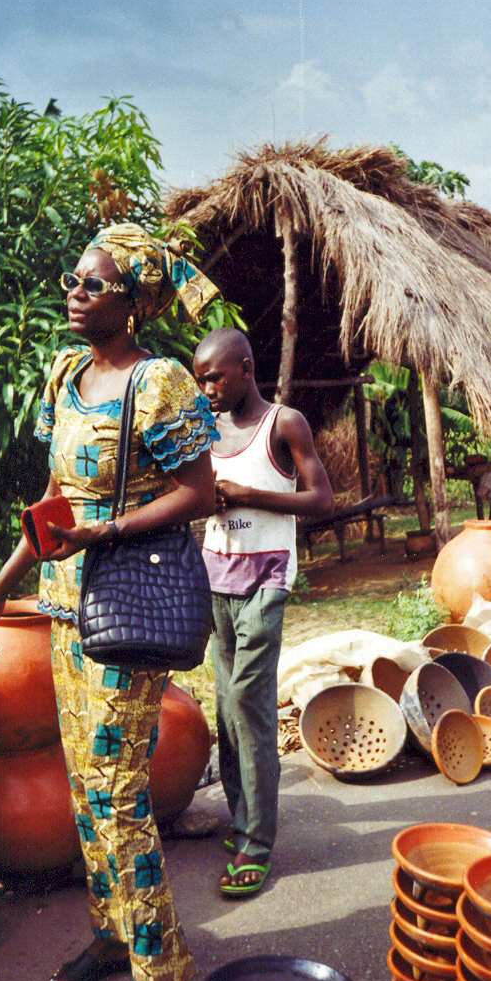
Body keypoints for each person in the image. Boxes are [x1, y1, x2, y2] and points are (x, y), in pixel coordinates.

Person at [0, 223, 219, 981]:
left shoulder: (161, 382)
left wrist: (106, 530)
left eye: (93, 285)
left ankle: (163, 974)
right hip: (65, 607)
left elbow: (200, 493)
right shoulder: (66, 373)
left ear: (133, 302)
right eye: (71, 281)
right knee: (84, 785)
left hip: (129, 605)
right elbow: (54, 500)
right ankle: (115, 933)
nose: (75, 294)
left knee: (115, 785)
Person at [192, 328, 334, 898]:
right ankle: (242, 816)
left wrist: (248, 496)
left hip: (266, 579)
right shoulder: (205, 429)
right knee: (226, 704)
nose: (207, 390)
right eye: (201, 381)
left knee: (250, 700)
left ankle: (257, 840)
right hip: (215, 578)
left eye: (215, 378)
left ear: (247, 369)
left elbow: (321, 500)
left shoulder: (284, 423)